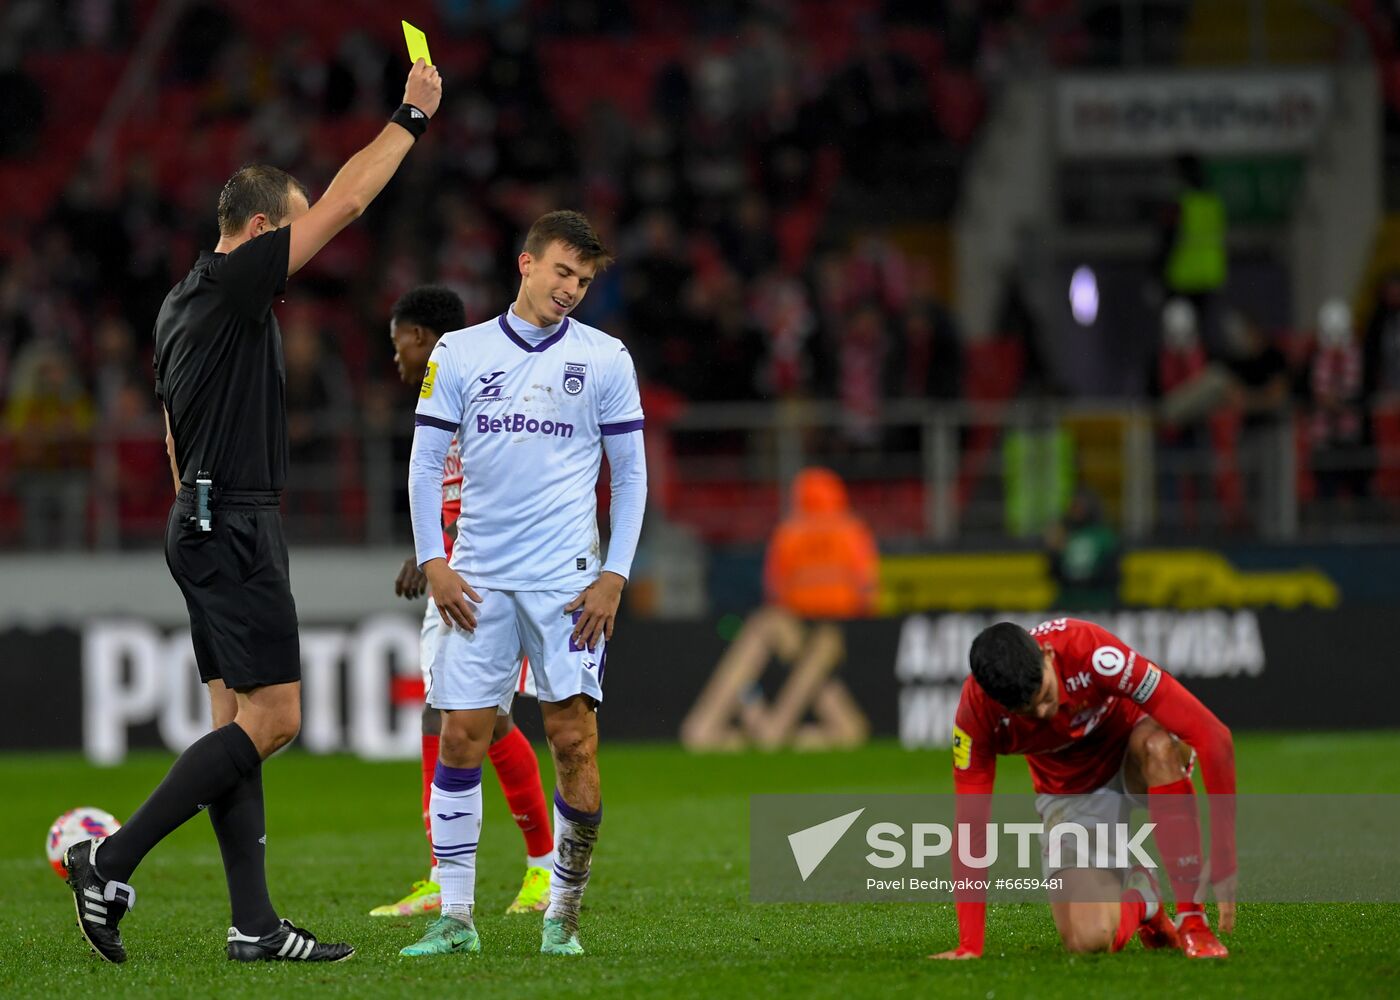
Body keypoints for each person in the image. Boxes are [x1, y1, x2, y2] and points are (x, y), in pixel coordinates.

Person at [61, 58, 443, 966]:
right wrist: (410, 117)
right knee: (273, 723)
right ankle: (107, 864)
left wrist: (201, 508)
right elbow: (348, 203)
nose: (302, 249)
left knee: (237, 726)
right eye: (293, 230)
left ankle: (254, 925)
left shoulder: (177, 305)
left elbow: (166, 434)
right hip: (230, 521)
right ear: (264, 228)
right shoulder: (236, 285)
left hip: (197, 517)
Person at [399, 211, 646, 959]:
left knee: (573, 740)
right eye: (562, 272)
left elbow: (630, 474)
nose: (571, 289)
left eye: (584, 279)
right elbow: (421, 463)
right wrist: (433, 558)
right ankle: (457, 919)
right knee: (462, 737)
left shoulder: (606, 358)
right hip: (476, 580)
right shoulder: (462, 353)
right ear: (527, 264)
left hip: (568, 584)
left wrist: (615, 575)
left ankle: (561, 918)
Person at [372, 284, 554, 919]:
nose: (395, 361)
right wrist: (430, 551)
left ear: (421, 339)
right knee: (442, 716)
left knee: (486, 721)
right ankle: (443, 875)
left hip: (495, 580)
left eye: (399, 348)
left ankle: (541, 869)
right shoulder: (444, 396)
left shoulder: (484, 384)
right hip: (458, 576)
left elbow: (500, 484)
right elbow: (450, 489)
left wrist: (441, 554)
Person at [931, 618, 1235, 961]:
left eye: (1046, 694)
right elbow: (971, 825)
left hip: (1130, 748)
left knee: (1160, 748)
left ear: (1047, 655)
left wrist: (1224, 855)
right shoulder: (976, 715)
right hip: (1070, 793)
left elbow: (1213, 736)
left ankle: (1193, 921)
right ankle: (1143, 898)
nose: (1046, 712)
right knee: (1088, 941)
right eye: (1028, 711)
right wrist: (969, 944)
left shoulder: (1089, 650)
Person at [763, 467, 878, 619]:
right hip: (844, 612)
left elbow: (774, 583)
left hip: (799, 614)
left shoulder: (788, 533)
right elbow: (865, 576)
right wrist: (867, 609)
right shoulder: (851, 530)